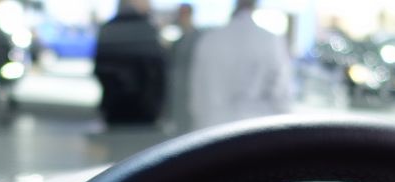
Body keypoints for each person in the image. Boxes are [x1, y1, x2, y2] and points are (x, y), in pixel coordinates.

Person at [189, 0, 292, 129]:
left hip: (211, 131)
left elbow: (196, 97)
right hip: (253, 133)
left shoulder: (208, 40)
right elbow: (282, 97)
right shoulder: (270, 40)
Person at [94, 0, 168, 126]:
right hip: (143, 109)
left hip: (114, 107)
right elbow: (157, 73)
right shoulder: (146, 28)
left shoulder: (108, 28)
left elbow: (100, 69)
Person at [166, 3, 200, 133]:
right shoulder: (177, 43)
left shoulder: (199, 40)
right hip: (178, 98)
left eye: (183, 15)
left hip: (192, 94)